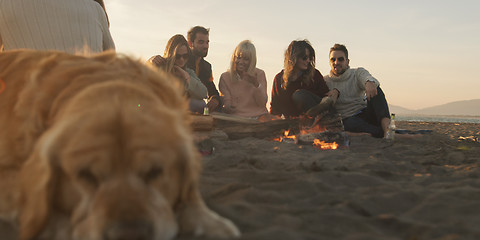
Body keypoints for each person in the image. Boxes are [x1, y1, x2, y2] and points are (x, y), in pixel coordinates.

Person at [324, 43, 391, 138]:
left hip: (366, 114)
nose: (336, 62)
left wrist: (369, 82)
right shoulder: (325, 81)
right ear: (329, 62)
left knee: (376, 90)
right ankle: (384, 133)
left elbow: (367, 77)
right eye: (333, 59)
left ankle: (387, 131)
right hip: (348, 120)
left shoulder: (356, 73)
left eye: (340, 59)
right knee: (351, 123)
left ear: (347, 61)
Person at [0, 0, 115, 53]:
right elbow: (111, 61)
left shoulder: (5, 4)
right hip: (90, 97)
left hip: (29, 96)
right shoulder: (95, 8)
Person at [270, 40, 335, 118]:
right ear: (293, 58)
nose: (308, 61)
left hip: (319, 118)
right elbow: (275, 107)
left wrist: (336, 92)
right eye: (304, 58)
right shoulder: (279, 79)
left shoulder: (314, 74)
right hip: (294, 122)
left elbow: (326, 98)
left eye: (310, 57)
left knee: (299, 95)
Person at [147, 34, 207, 113]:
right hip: (159, 107)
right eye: (177, 56)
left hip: (180, 108)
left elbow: (203, 92)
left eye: (185, 56)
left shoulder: (188, 72)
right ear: (171, 55)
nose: (182, 60)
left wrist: (187, 78)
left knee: (201, 104)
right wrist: (149, 63)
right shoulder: (159, 67)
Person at [218, 40, 268, 118]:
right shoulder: (225, 77)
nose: (241, 62)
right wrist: (227, 106)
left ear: (252, 60)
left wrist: (256, 84)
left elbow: (262, 103)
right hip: (236, 118)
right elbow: (226, 102)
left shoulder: (260, 74)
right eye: (238, 57)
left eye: (245, 59)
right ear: (234, 58)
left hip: (259, 117)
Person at [186, 26, 223, 112]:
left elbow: (212, 90)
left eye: (207, 42)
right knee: (201, 105)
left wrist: (215, 99)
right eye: (201, 42)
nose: (206, 46)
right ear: (190, 44)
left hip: (197, 106)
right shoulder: (182, 59)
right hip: (179, 104)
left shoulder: (207, 66)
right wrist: (152, 60)